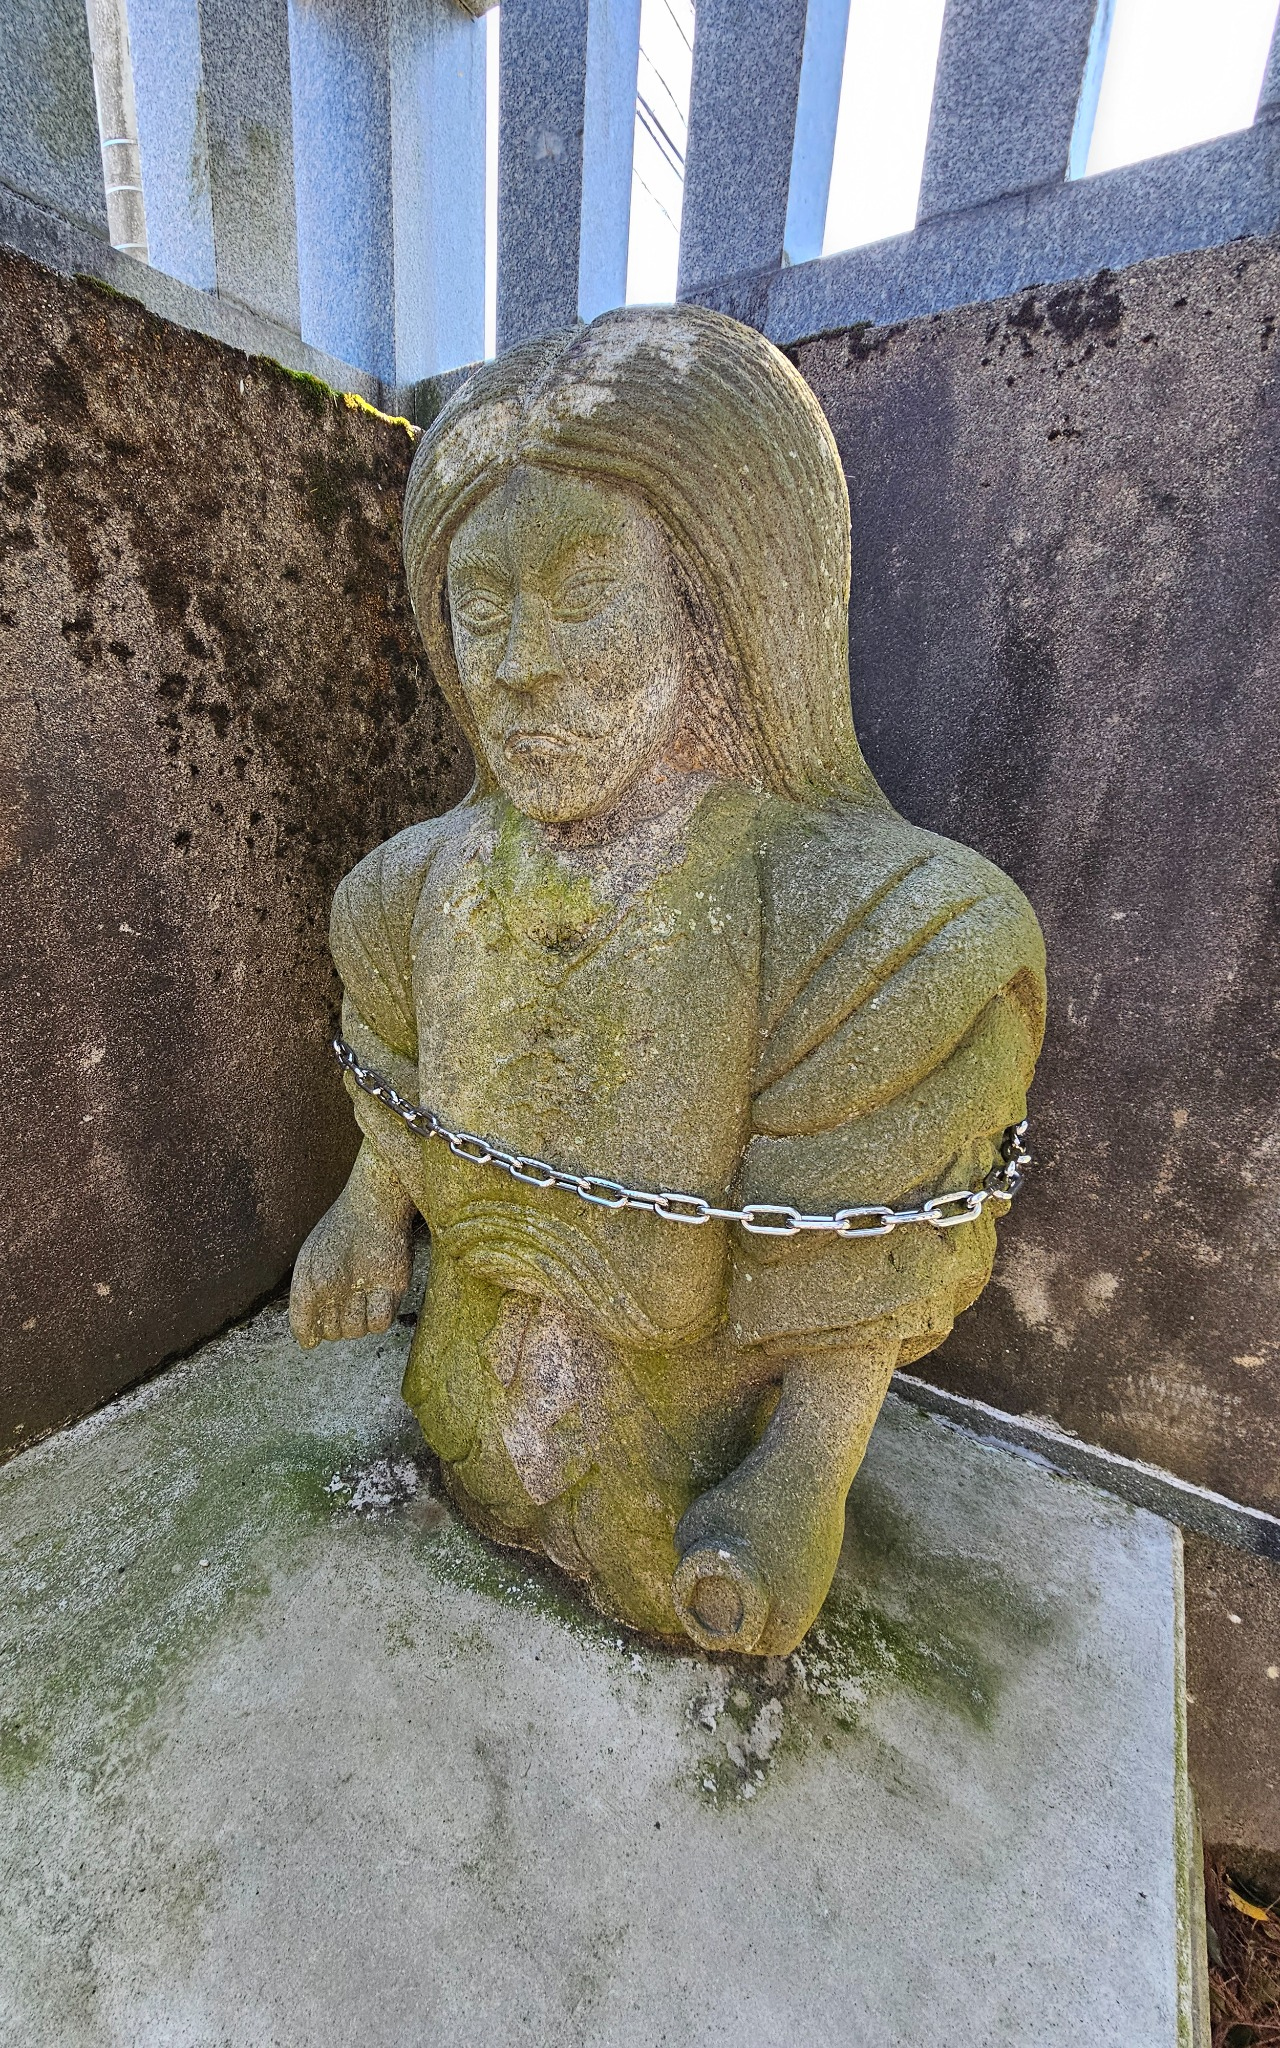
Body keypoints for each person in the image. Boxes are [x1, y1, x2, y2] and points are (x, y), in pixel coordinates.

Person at [291, 306, 1045, 1657]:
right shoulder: (403, 892)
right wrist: (366, 1216)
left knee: (948, 946)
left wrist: (803, 1481)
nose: (523, 666)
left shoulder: (867, 923)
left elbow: (866, 1237)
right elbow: (394, 1079)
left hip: (696, 1461)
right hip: (462, 1383)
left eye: (584, 596)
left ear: (712, 601)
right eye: (481, 609)